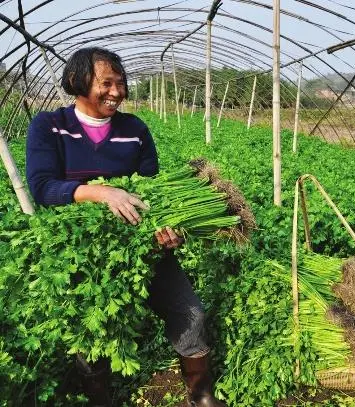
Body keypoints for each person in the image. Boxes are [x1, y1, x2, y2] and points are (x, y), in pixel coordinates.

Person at [26, 47, 223, 407]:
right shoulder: (49, 125)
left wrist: (169, 230)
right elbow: (42, 188)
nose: (116, 92)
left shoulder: (135, 129)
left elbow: (151, 187)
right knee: (91, 326)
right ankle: (101, 397)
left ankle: (201, 394)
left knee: (189, 312)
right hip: (78, 252)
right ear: (77, 82)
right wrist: (102, 193)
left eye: (121, 83)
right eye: (107, 83)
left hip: (141, 242)